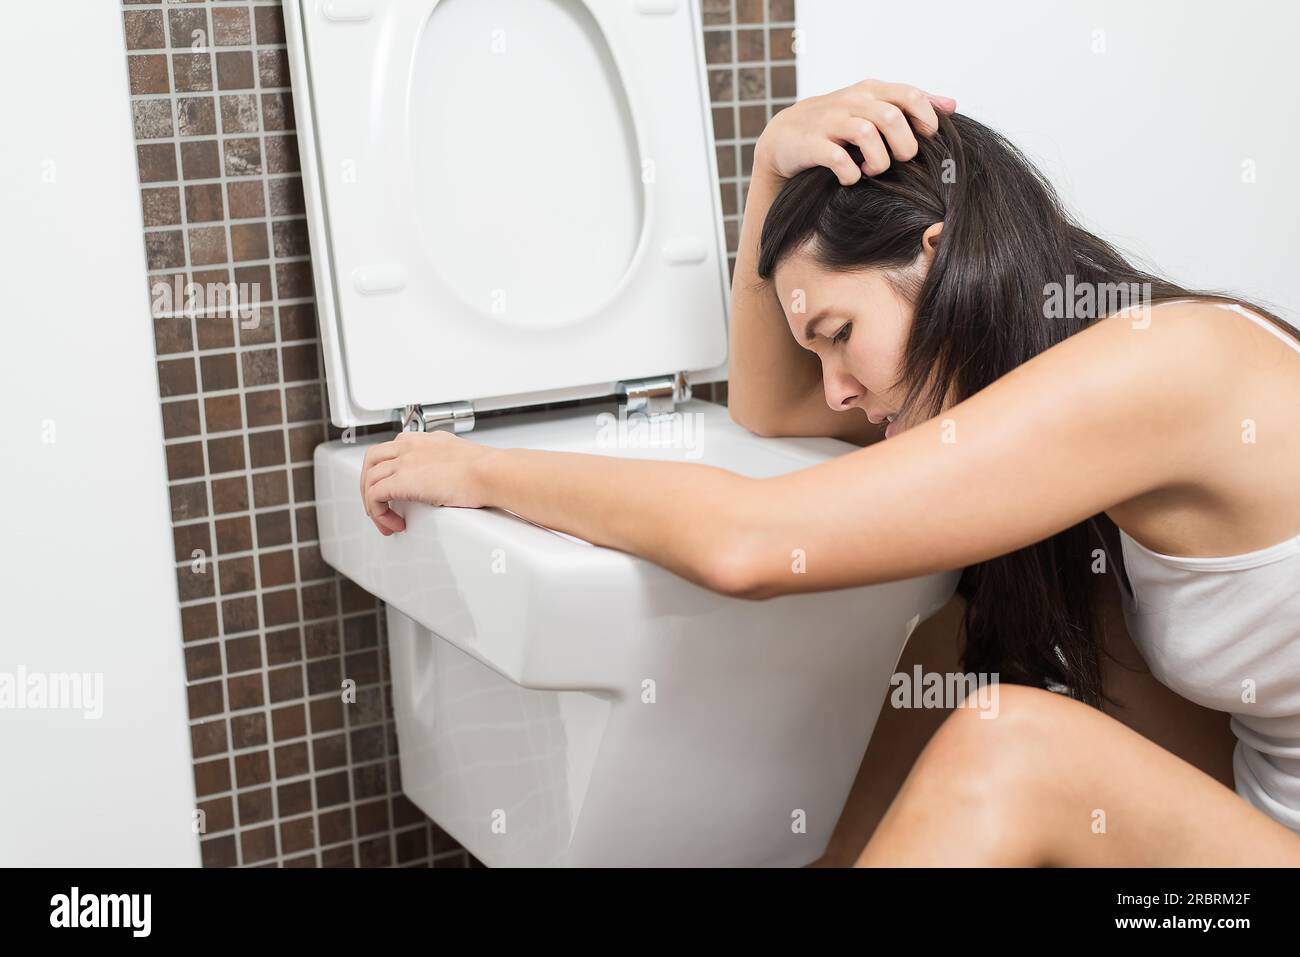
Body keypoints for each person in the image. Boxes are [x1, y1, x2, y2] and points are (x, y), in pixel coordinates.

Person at [358, 79, 1300, 865]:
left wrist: (484, 469)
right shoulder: (1062, 373)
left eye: (840, 336)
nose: (837, 391)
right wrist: (773, 161)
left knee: (1010, 741)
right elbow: (766, 409)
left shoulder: (1164, 366)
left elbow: (751, 544)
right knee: (954, 636)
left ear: (935, 257)